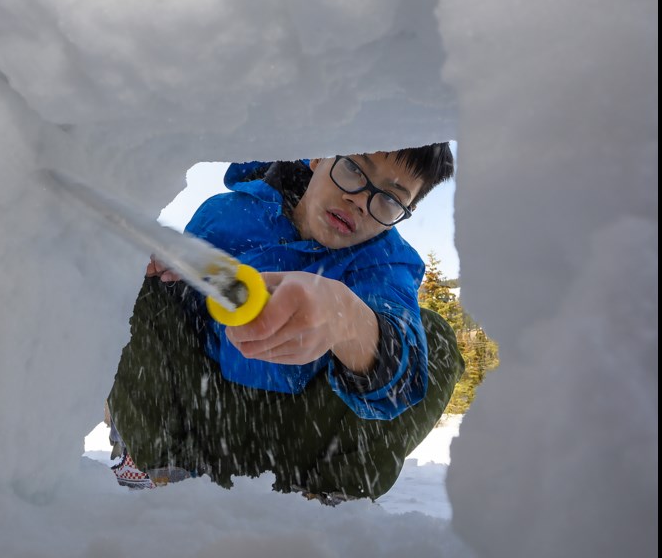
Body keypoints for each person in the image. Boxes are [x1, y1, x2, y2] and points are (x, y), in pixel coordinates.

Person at [105, 145, 465, 503]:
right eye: (354, 169)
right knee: (139, 275)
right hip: (203, 426)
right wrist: (169, 270)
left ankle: (329, 501)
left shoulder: (386, 262)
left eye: (388, 198)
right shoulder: (226, 214)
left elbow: (404, 376)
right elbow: (177, 320)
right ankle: (162, 470)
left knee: (433, 341)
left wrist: (346, 319)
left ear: (407, 211)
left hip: (300, 446)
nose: (359, 201)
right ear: (320, 155)